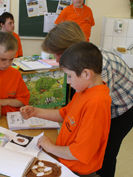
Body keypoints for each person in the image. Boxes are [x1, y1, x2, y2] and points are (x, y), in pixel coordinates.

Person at [42, 21, 133, 177]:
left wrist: (68, 148)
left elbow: (93, 111)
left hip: (125, 106)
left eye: (58, 53)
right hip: (106, 103)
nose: (55, 59)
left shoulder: (100, 70)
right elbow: (77, 108)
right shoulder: (83, 67)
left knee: (106, 151)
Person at [21, 42, 111, 177]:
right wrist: (36, 111)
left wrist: (51, 147)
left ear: (86, 74)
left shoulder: (96, 103)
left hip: (77, 171)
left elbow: (80, 152)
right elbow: (65, 114)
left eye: (69, 76)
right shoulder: (84, 89)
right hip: (64, 160)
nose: (68, 81)